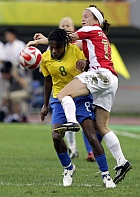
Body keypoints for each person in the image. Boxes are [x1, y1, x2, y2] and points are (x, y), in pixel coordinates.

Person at [26, 28, 116, 188]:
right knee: (56, 137)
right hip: (59, 99)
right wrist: (45, 104)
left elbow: (89, 67)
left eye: (57, 48)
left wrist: (85, 63)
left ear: (64, 45)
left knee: (91, 135)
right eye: (51, 47)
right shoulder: (45, 58)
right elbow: (48, 81)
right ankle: (68, 168)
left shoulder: (75, 50)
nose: (53, 51)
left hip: (80, 97)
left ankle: (106, 175)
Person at [54, 5, 132, 184]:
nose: (83, 19)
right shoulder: (99, 36)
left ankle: (72, 122)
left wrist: (46, 39)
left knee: (63, 94)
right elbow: (81, 47)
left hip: (101, 75)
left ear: (96, 20)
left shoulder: (92, 29)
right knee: (101, 126)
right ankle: (122, 161)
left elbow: (66, 39)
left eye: (86, 16)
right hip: (111, 79)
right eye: (82, 16)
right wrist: (85, 62)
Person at [59, 16, 101, 161]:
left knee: (90, 121)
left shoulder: (80, 42)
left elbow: (89, 58)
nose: (65, 28)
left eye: (68, 25)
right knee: (69, 119)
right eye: (63, 25)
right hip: (65, 88)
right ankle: (74, 149)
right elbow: (45, 65)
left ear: (73, 28)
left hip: (83, 86)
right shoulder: (52, 47)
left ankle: (92, 150)